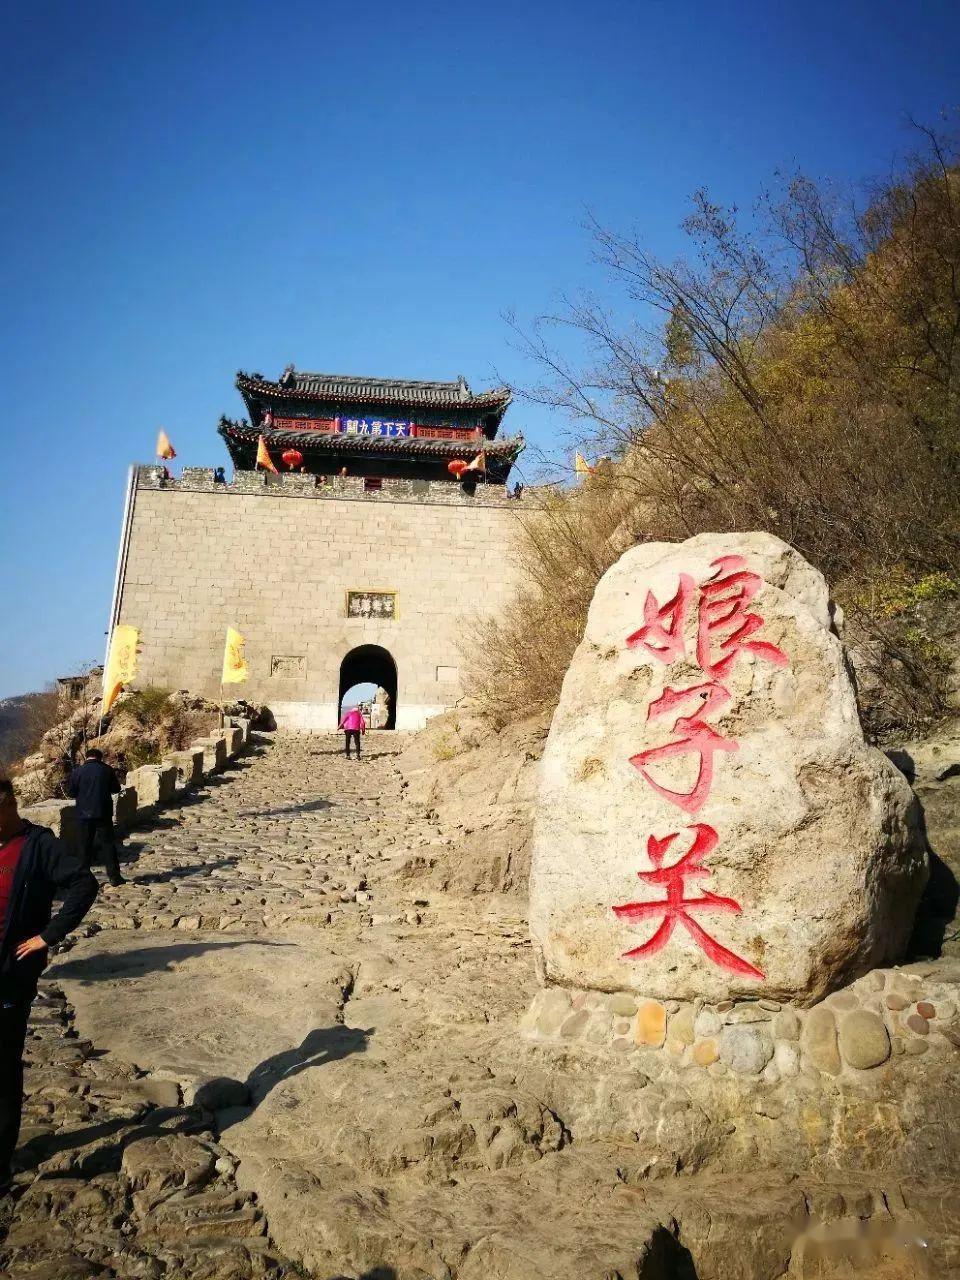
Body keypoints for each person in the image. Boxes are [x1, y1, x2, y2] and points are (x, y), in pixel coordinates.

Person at [0, 777, 98, 1192]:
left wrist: (47, 936)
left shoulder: (38, 845)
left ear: (9, 807)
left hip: (10, 973)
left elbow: (83, 884)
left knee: (3, 1065)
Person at [67, 749, 124, 887]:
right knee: (108, 844)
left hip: (83, 814)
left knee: (84, 846)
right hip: (103, 813)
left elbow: (71, 793)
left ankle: (82, 878)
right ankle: (114, 876)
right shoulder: (107, 770)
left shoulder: (77, 772)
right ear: (100, 758)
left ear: (86, 757)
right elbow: (116, 789)